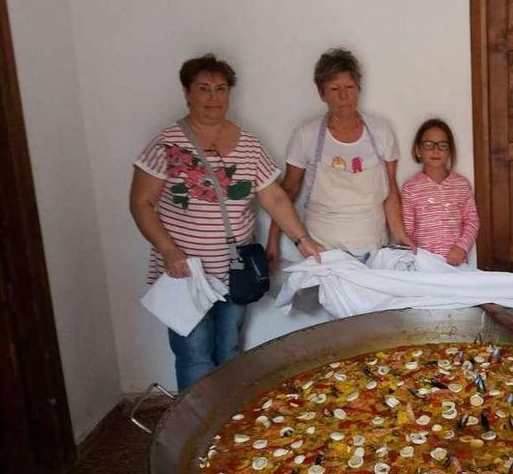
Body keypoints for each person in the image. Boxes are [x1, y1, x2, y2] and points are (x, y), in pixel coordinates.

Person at [130, 54, 322, 391]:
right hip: (185, 273)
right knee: (194, 355)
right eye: (203, 89)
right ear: (187, 94)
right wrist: (169, 251)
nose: (213, 97)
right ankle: (195, 437)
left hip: (235, 270)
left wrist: (303, 240)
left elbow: (274, 197)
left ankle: (228, 430)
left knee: (229, 349)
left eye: (220, 89)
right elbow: (141, 203)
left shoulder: (248, 144)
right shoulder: (167, 143)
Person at [266, 48, 413, 264]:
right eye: (334, 88)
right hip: (321, 250)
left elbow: (390, 190)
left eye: (349, 87)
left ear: (358, 89)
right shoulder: (306, 134)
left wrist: (399, 234)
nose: (343, 96)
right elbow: (287, 191)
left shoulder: (380, 131)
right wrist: (272, 242)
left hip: (373, 247)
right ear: (321, 93)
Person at [401, 118, 479, 266]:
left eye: (442, 146)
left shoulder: (461, 185)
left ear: (450, 151)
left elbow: (472, 221)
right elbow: (408, 230)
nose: (436, 150)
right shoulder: (411, 188)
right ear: (418, 150)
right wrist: (417, 258)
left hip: (457, 263)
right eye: (429, 145)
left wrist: (461, 248)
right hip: (425, 264)